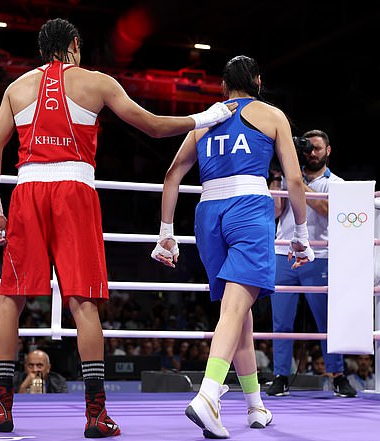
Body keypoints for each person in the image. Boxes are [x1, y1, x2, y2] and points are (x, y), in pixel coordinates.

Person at [0, 17, 236, 438]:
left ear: (43, 50)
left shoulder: (16, 88)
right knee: (83, 301)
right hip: (75, 191)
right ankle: (96, 414)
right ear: (75, 45)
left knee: (11, 297)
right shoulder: (96, 82)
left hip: (27, 190)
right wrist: (205, 117)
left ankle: (1, 407)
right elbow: (152, 125)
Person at [151, 55, 314, 439]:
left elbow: (172, 173)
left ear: (224, 87)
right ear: (257, 80)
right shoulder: (272, 115)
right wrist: (302, 236)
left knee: (238, 313)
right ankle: (208, 395)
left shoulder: (207, 118)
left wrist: (165, 232)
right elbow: (293, 178)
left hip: (208, 215)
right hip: (248, 210)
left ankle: (255, 405)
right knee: (236, 308)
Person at [266, 129, 357, 399]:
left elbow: (327, 212)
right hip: (284, 253)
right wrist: (278, 177)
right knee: (281, 322)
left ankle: (338, 376)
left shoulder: (336, 183)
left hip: (320, 257)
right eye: (308, 149)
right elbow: (274, 212)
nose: (312, 153)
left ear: (328, 151)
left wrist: (297, 182)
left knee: (326, 321)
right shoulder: (285, 180)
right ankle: (281, 375)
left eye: (318, 148)